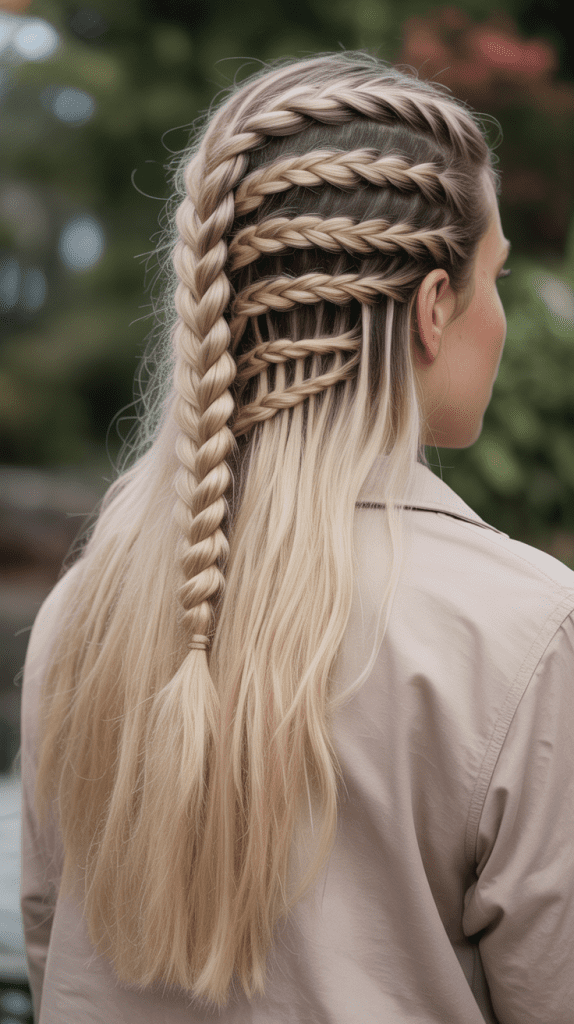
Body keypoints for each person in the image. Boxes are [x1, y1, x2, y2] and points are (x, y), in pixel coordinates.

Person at [19, 50, 574, 1024]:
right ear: (433, 310)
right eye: (494, 278)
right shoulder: (529, 633)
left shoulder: (88, 606)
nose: (500, 316)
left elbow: (48, 942)